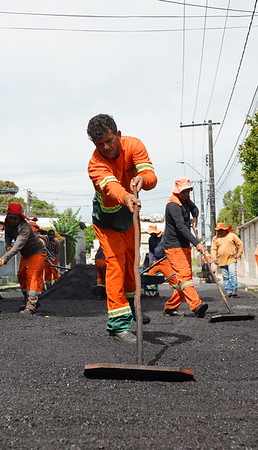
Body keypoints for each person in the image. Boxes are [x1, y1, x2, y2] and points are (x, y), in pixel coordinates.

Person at [87, 113, 157, 343]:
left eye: (109, 141)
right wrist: (126, 196)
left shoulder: (134, 145)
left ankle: (131, 308)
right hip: (107, 222)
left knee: (130, 263)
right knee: (116, 264)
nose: (106, 147)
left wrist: (143, 180)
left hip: (129, 215)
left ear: (118, 134)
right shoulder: (95, 164)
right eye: (100, 144)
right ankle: (117, 326)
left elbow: (151, 176)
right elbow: (112, 188)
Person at [162, 177, 209, 318]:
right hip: (174, 246)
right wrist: (197, 243)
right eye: (185, 191)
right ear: (177, 192)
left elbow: (194, 209)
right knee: (184, 276)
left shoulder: (185, 201)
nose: (187, 194)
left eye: (188, 191)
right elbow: (181, 227)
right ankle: (196, 305)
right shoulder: (173, 205)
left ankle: (170, 307)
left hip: (184, 245)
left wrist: (194, 217)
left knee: (183, 279)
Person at [0, 203, 47, 315]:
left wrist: (5, 257)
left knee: (32, 275)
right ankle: (28, 300)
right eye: (10, 218)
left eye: (15, 218)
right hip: (26, 254)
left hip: (37, 252)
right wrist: (7, 244)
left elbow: (18, 245)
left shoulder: (25, 228)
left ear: (20, 218)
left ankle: (31, 305)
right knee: (21, 275)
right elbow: (8, 236)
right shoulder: (9, 226)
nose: (12, 220)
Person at [210, 222, 243, 297]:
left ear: (225, 230)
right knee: (225, 277)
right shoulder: (215, 239)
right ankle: (229, 291)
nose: (219, 232)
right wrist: (214, 258)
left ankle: (234, 290)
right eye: (218, 230)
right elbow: (213, 249)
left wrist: (238, 254)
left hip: (231, 259)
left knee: (232, 274)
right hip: (221, 261)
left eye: (221, 230)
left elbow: (240, 243)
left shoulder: (231, 236)